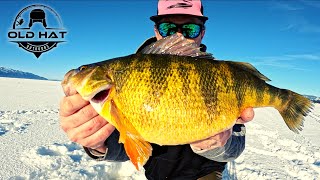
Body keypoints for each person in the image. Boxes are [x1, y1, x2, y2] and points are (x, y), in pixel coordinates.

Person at [59, 0, 254, 179]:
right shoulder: (125, 77)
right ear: (156, 31)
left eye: (190, 28)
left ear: (202, 32)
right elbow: (125, 142)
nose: (178, 35)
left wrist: (217, 147)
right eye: (168, 27)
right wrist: (98, 144)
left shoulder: (221, 79)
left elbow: (235, 147)